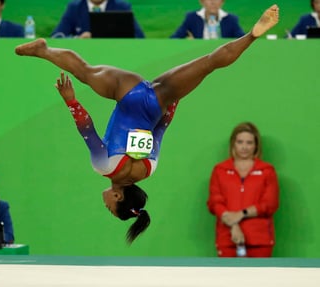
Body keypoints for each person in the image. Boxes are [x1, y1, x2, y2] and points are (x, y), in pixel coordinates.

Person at [15, 5, 279, 243]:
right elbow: (87, 130)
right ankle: (44, 50)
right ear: (118, 197)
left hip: (157, 101)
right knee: (84, 71)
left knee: (209, 63)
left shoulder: (148, 170)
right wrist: (71, 101)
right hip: (126, 93)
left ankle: (252, 35)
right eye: (109, 207)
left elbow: (160, 128)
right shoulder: (104, 167)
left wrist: (173, 101)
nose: (105, 203)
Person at [207, 122, 279, 257]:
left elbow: (269, 204)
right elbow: (214, 202)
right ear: (233, 143)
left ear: (256, 145)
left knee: (261, 279)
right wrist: (234, 224)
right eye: (240, 142)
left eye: (249, 143)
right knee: (226, 278)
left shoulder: (267, 171)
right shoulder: (220, 170)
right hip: (227, 238)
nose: (244, 147)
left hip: (260, 240)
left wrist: (242, 213)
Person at [51, 0, 145, 38]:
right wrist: (77, 39)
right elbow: (57, 36)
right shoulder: (75, 7)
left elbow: (139, 37)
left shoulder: (121, 6)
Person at [171, 0, 245, 39]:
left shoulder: (231, 19)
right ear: (201, 1)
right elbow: (173, 39)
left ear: (222, 1)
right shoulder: (192, 18)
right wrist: (188, 43)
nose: (213, 2)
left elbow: (243, 39)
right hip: (199, 57)